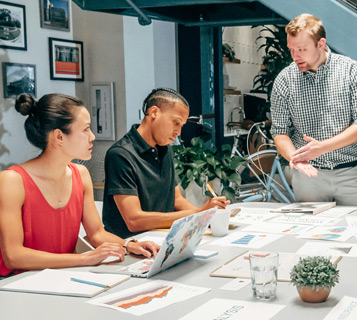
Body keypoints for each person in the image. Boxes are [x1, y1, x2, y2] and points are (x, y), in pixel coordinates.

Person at [0, 93, 160, 277]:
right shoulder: (11, 181)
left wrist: (130, 246)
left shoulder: (81, 174)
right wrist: (86, 258)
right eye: (85, 129)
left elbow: (97, 234)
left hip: (63, 278)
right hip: (15, 286)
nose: (92, 136)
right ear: (59, 136)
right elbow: (14, 256)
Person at [270, 13, 357, 206]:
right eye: (291, 50)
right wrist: (295, 157)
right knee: (310, 234)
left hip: (349, 174)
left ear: (321, 44)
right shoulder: (285, 80)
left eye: (302, 49)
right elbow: (280, 132)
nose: (295, 57)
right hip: (308, 176)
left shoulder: (351, 70)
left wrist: (323, 147)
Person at [102, 88, 229, 239]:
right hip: (130, 246)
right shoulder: (120, 154)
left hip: (162, 239)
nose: (178, 132)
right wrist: (198, 212)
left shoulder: (164, 150)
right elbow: (134, 220)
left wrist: (206, 217)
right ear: (154, 112)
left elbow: (176, 199)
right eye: (176, 123)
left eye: (181, 125)